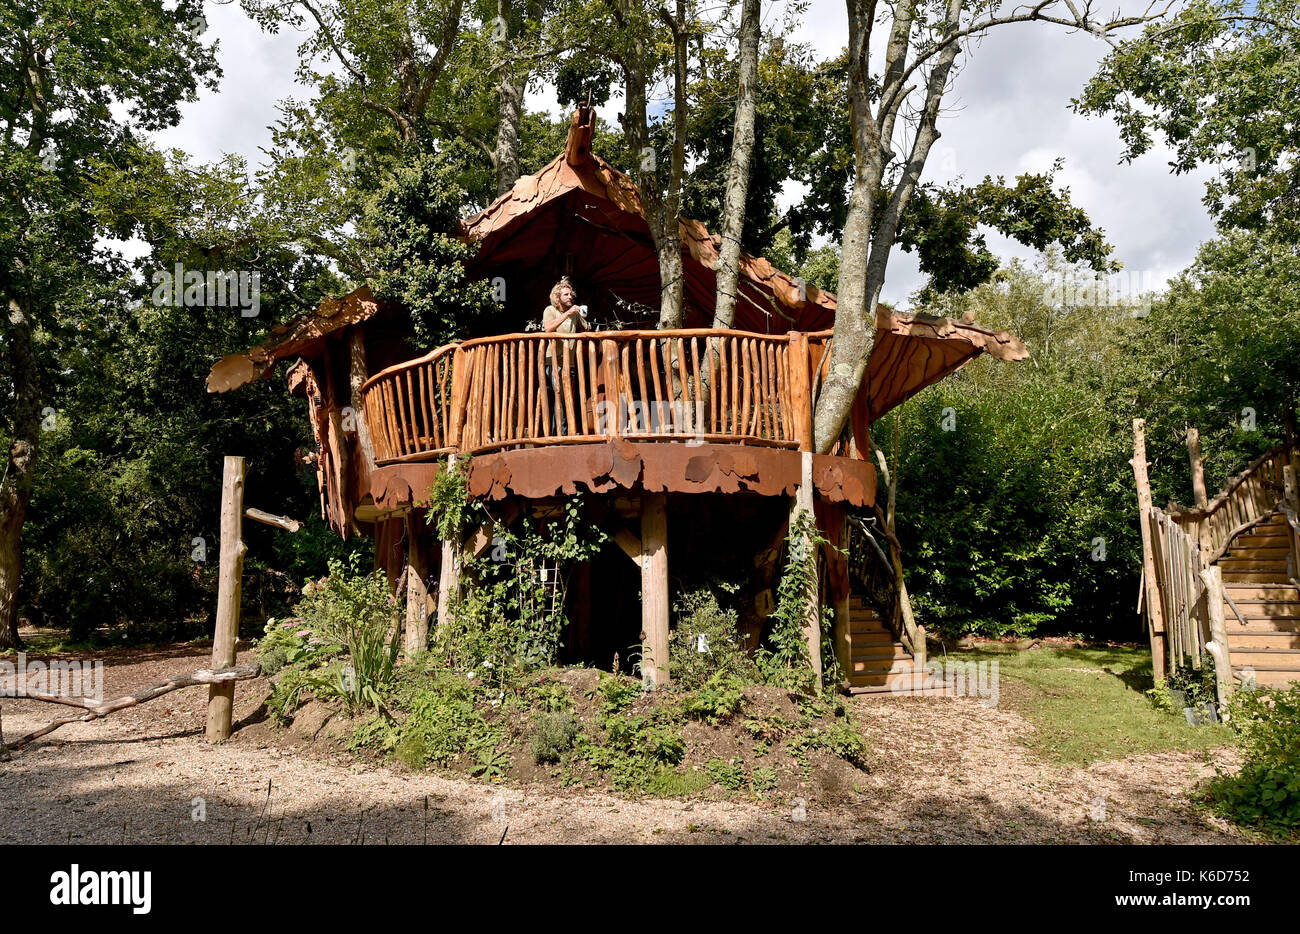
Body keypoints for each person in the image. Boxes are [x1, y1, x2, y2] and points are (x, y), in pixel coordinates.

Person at [540, 278, 589, 435]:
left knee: (567, 397)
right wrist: (568, 313)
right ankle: (559, 434)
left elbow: (586, 327)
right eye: (566, 295)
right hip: (553, 362)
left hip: (570, 363)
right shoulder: (550, 310)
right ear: (557, 297)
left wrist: (582, 315)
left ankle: (564, 432)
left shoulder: (574, 314)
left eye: (571, 294)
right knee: (560, 396)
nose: (570, 297)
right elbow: (547, 328)